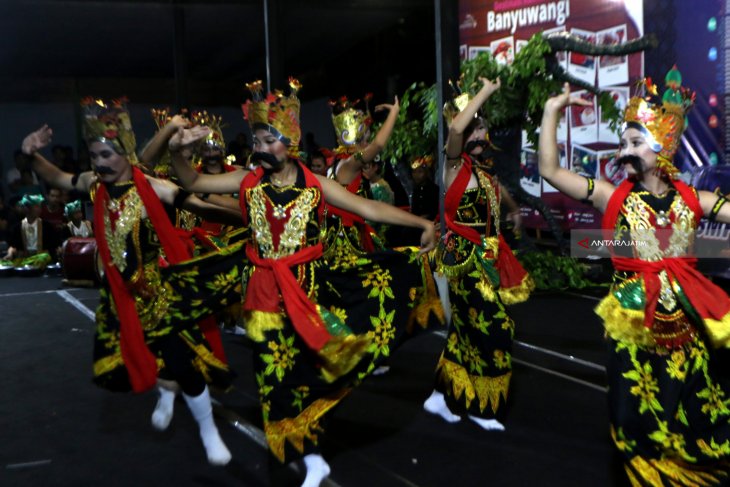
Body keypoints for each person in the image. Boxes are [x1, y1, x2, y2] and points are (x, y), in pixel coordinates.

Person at [167, 79, 439, 487]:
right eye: (257, 139)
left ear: (289, 141)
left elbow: (368, 208)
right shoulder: (246, 181)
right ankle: (310, 456)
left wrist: (421, 222)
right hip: (261, 296)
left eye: (269, 139)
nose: (261, 147)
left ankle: (309, 447)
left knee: (314, 372)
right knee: (274, 381)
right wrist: (176, 149)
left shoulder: (316, 186)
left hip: (310, 293)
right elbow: (192, 183)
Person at [20, 97, 242, 466]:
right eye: (94, 156)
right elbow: (58, 177)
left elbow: (199, 206)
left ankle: (208, 430)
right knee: (135, 358)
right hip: (119, 295)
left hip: (156, 292)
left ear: (127, 154)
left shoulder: (150, 186)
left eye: (107, 155)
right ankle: (166, 393)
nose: (100, 163)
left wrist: (249, 214)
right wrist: (30, 154)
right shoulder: (94, 185)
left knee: (181, 362)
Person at [539, 75, 730, 485]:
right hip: (634, 320)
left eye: (634, 143)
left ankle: (687, 464)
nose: (624, 152)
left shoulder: (693, 199)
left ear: (662, 147)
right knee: (635, 406)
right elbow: (551, 170)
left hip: (685, 320)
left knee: (691, 400)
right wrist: (552, 113)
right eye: (623, 143)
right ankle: (645, 469)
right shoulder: (613, 195)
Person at [423, 77, 532, 432]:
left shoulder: (484, 171)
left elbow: (497, 196)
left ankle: (439, 395)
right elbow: (455, 130)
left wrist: (514, 209)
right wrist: (485, 92)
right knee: (495, 328)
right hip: (464, 263)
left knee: (465, 331)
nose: (478, 135)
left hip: (486, 259)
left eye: (482, 128)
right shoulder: (453, 165)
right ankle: (481, 406)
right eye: (472, 129)